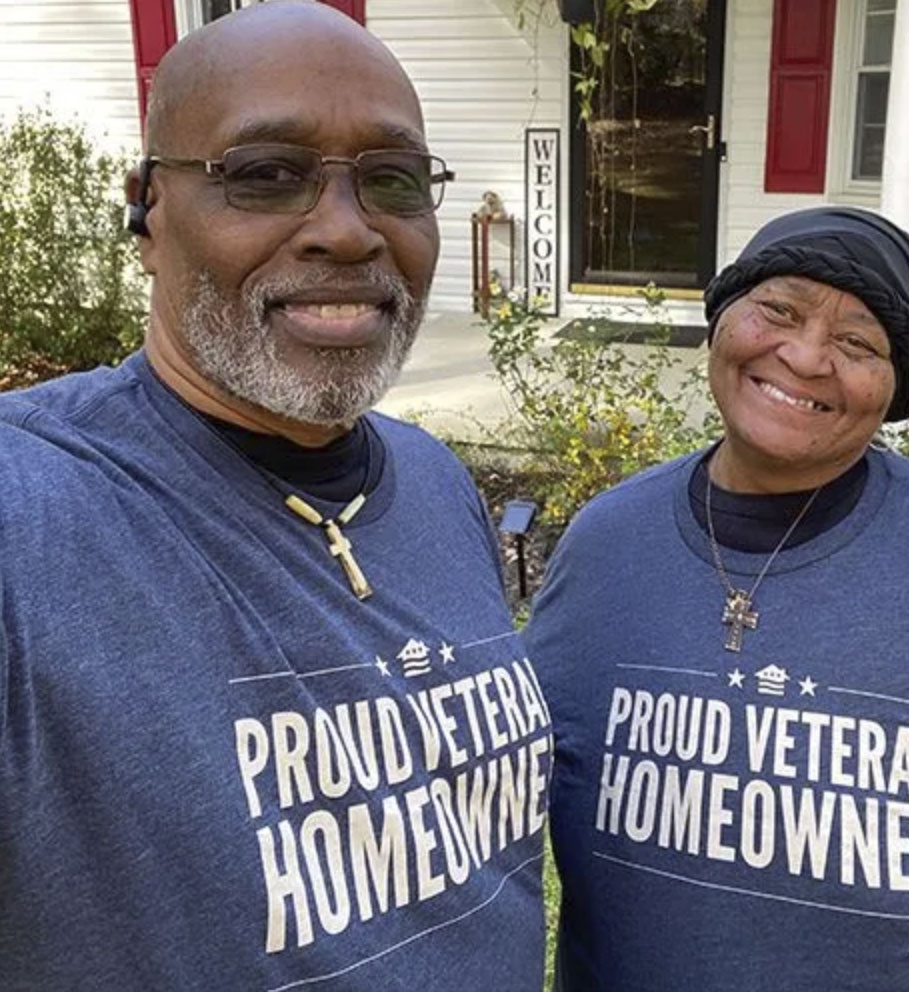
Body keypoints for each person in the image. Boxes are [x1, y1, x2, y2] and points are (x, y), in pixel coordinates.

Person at [0, 4, 551, 990]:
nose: (346, 231)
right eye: (263, 175)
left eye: (390, 180)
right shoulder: (31, 506)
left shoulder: (430, 480)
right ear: (146, 211)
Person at [526, 206, 909, 991]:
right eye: (778, 309)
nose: (806, 357)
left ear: (895, 388)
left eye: (857, 343)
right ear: (721, 320)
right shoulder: (605, 542)